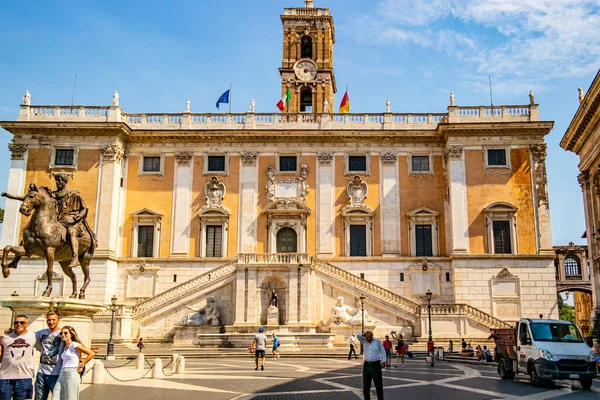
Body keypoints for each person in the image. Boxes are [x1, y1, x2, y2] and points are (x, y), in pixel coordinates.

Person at [52, 326, 94, 400]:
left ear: (71, 334)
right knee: (56, 395)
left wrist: (81, 365)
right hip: (63, 372)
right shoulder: (65, 346)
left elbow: (91, 354)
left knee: (70, 396)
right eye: (61, 333)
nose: (63, 335)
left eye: (65, 333)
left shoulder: (74, 345)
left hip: (72, 372)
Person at [0, 315, 36, 400]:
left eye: (22, 322)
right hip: (5, 377)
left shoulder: (33, 336)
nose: (19, 324)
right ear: (13, 324)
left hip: (24, 377)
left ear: (27, 324)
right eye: (16, 322)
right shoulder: (5, 336)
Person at [34, 311, 63, 400]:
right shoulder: (41, 333)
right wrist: (11, 331)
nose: (51, 322)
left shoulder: (63, 334)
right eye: (49, 320)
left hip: (56, 373)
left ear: (58, 320)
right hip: (41, 373)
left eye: (53, 319)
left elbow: (76, 345)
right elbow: (25, 335)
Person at [357, 331, 386, 400]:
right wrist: (364, 334)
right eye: (367, 337)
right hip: (367, 365)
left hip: (376, 365)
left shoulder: (377, 341)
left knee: (378, 385)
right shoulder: (364, 341)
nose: (369, 339)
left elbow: (382, 350)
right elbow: (358, 336)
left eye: (370, 337)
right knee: (366, 386)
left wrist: (384, 361)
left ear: (372, 336)